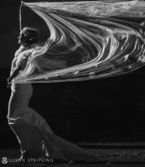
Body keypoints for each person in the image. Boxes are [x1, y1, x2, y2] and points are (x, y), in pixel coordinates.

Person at [7, 27, 96, 163]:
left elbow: (18, 67)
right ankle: (26, 152)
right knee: (17, 118)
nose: (18, 38)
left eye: (21, 37)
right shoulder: (23, 51)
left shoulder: (28, 53)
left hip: (21, 87)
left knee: (15, 117)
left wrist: (9, 79)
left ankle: (35, 141)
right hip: (18, 86)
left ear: (25, 39)